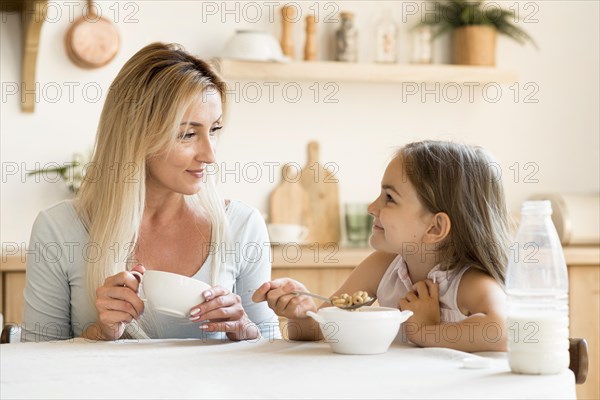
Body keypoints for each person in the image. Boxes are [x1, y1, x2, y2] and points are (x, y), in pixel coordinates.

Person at [22, 42, 280, 342]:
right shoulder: (58, 229)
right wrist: (100, 333)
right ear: (136, 134)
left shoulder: (242, 225)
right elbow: (36, 360)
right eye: (188, 134)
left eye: (214, 130)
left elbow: (269, 352)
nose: (210, 156)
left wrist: (244, 330)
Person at [253, 140, 512, 352]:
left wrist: (425, 332)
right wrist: (302, 314)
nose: (371, 207)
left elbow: (506, 331)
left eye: (389, 198)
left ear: (434, 228)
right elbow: (322, 329)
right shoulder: (382, 266)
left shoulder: (468, 282)